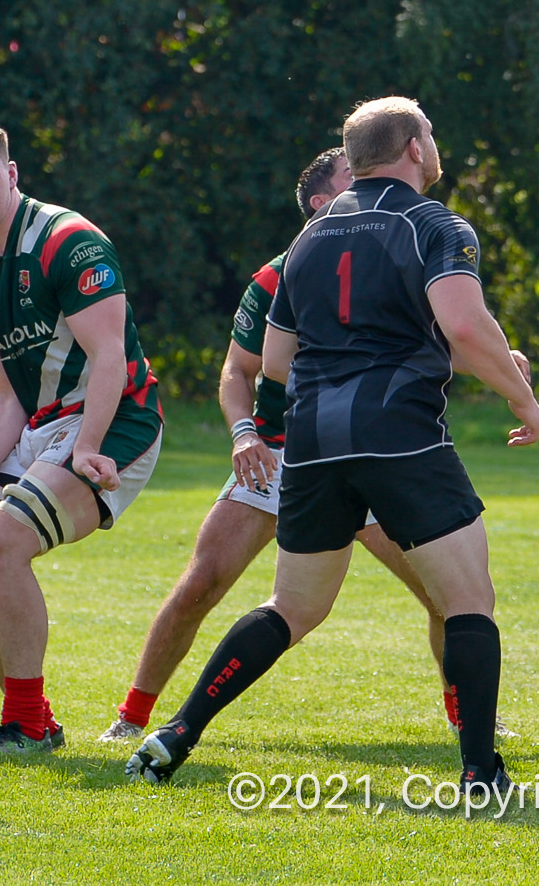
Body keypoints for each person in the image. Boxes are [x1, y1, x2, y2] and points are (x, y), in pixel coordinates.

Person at [126, 95, 539, 792]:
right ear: (413, 147)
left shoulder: (309, 240)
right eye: (431, 135)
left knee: (292, 609)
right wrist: (521, 397)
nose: (435, 146)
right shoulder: (436, 224)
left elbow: (278, 360)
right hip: (399, 437)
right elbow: (465, 327)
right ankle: (480, 772)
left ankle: (177, 732)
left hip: (312, 441)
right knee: (469, 603)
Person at [101, 145, 448, 744]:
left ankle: (472, 718)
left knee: (446, 592)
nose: (368, 189)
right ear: (319, 203)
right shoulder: (278, 273)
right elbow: (238, 371)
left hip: (369, 451)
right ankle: (131, 719)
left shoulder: (399, 253)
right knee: (203, 583)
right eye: (351, 180)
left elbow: (448, 330)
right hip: (282, 454)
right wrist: (243, 434)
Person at [0, 117, 163, 759]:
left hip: (117, 421)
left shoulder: (67, 239)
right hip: (42, 427)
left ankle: (25, 725)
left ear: (12, 175)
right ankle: (33, 718)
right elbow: (8, 402)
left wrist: (88, 446)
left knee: (3, 542)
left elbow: (109, 356)